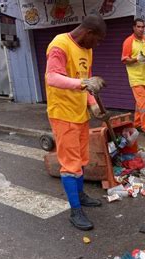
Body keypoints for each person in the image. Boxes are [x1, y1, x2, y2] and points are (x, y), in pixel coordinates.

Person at [45, 14, 107, 231]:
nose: (97, 45)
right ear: (88, 33)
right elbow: (52, 77)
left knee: (81, 160)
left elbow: (87, 83)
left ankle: (80, 196)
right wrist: (83, 83)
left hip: (80, 113)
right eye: (97, 40)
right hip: (63, 114)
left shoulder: (87, 50)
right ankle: (75, 211)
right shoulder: (59, 44)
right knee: (70, 165)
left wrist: (92, 104)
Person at [121, 18, 145, 138]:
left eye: (143, 27)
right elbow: (124, 60)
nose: (141, 29)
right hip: (136, 78)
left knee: (140, 103)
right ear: (134, 27)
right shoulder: (128, 41)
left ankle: (137, 124)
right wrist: (136, 59)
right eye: (139, 27)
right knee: (143, 103)